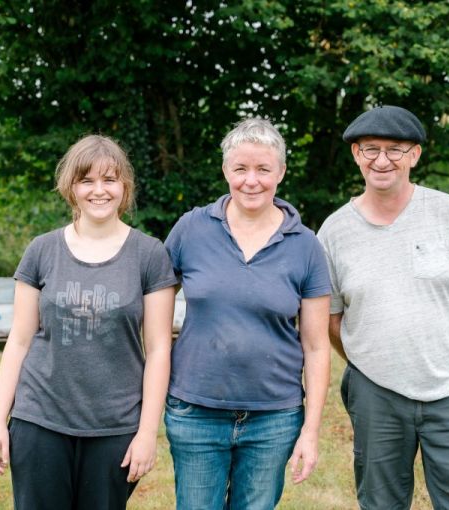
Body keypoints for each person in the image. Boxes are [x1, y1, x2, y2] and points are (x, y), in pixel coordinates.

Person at [317, 105, 449, 509]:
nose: (382, 160)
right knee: (380, 502)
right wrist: (371, 360)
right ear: (356, 154)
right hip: (376, 394)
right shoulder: (334, 232)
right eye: (371, 149)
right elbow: (331, 320)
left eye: (395, 149)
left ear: (415, 156)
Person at [0, 135, 177, 510]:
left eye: (110, 179)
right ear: (70, 187)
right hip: (40, 419)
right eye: (87, 180)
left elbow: (158, 350)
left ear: (125, 186)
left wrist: (147, 433)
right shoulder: (42, 250)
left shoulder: (149, 254)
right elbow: (19, 340)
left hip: (114, 426)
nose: (99, 191)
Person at [163, 117, 332, 510]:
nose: (251, 180)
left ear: (281, 172)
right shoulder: (191, 229)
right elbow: (152, 308)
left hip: (273, 417)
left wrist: (310, 430)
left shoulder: (305, 246)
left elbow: (317, 346)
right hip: (195, 412)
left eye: (263, 169)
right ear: (225, 171)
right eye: (240, 169)